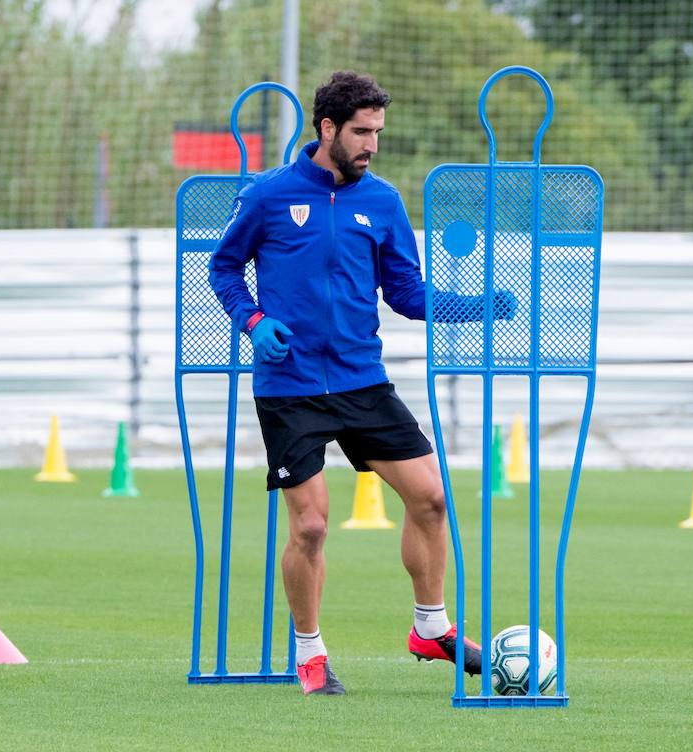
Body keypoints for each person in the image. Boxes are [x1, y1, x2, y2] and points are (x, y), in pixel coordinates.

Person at [209, 71, 516, 696]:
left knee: (430, 497)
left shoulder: (383, 202)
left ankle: (431, 628)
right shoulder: (267, 195)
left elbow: (406, 294)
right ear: (327, 128)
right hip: (289, 384)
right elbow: (223, 267)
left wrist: (473, 306)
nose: (371, 144)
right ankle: (310, 653)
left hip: (361, 381)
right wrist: (254, 321)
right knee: (312, 526)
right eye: (361, 132)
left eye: (377, 131)